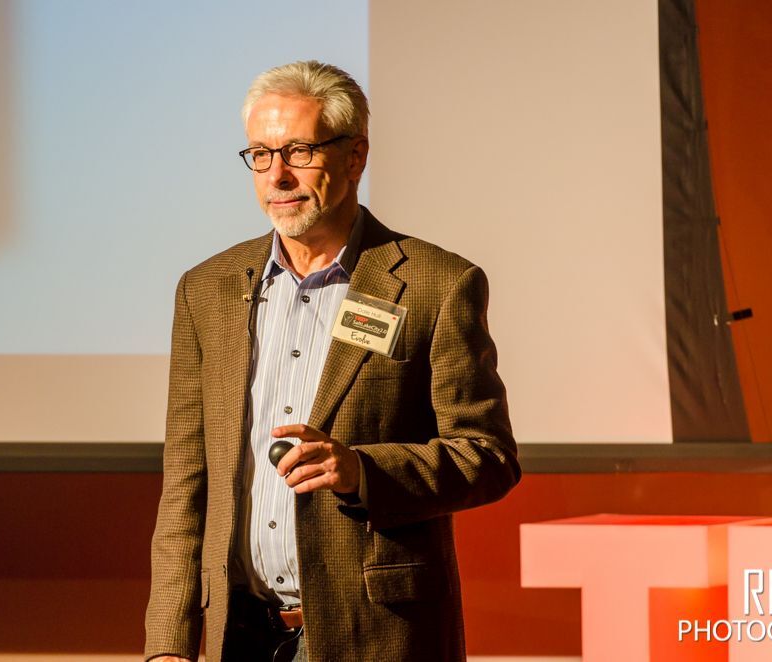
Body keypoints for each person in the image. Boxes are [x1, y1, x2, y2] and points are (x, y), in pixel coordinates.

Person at [144, 60, 520, 662]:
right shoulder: (207, 289)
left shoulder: (435, 284)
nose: (278, 175)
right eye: (260, 155)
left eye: (299, 151)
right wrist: (167, 643)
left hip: (374, 633)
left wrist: (362, 472)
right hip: (235, 634)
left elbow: (488, 456)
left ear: (355, 157)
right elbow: (187, 481)